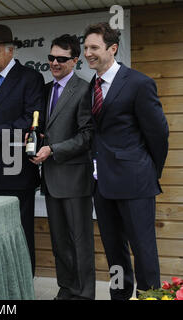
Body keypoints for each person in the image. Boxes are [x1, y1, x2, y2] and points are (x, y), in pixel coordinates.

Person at [84, 22, 169, 300]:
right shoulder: (92, 86)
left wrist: (146, 171)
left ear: (113, 48)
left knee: (143, 250)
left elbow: (158, 135)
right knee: (114, 251)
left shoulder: (139, 83)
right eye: (86, 48)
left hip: (135, 183)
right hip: (103, 185)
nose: (88, 53)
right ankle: (120, 296)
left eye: (94, 47)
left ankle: (150, 297)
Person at [0, 24, 44, 275]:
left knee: (20, 232)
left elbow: (32, 119)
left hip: (16, 171)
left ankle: (23, 283)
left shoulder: (30, 78)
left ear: (10, 50)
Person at [30, 34, 95, 300]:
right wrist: (36, 142)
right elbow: (45, 130)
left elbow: (87, 135)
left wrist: (53, 150)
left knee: (80, 242)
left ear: (75, 60)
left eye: (61, 59)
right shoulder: (46, 89)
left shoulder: (84, 89)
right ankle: (66, 289)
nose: (55, 63)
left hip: (75, 178)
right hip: (51, 178)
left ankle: (84, 294)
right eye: (51, 57)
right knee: (60, 243)